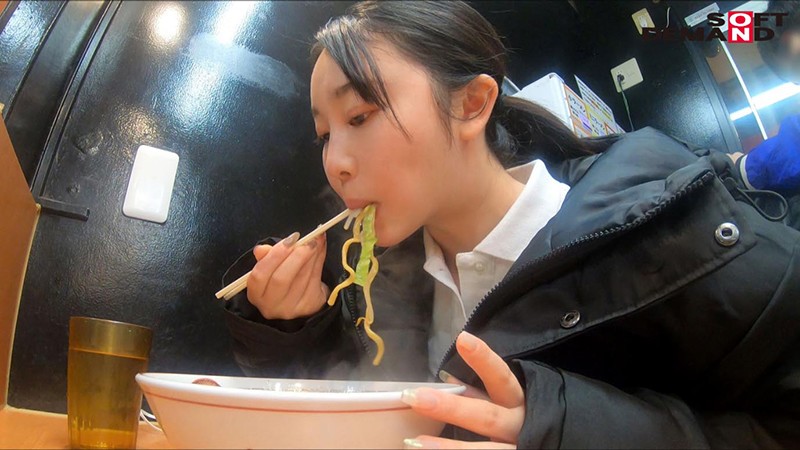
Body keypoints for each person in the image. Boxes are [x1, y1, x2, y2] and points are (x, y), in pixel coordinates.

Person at [222, 1, 800, 448]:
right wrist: (294, 329)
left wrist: (564, 430)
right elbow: (348, 411)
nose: (336, 163)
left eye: (359, 115)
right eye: (324, 135)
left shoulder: (663, 233)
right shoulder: (385, 280)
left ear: (471, 104)